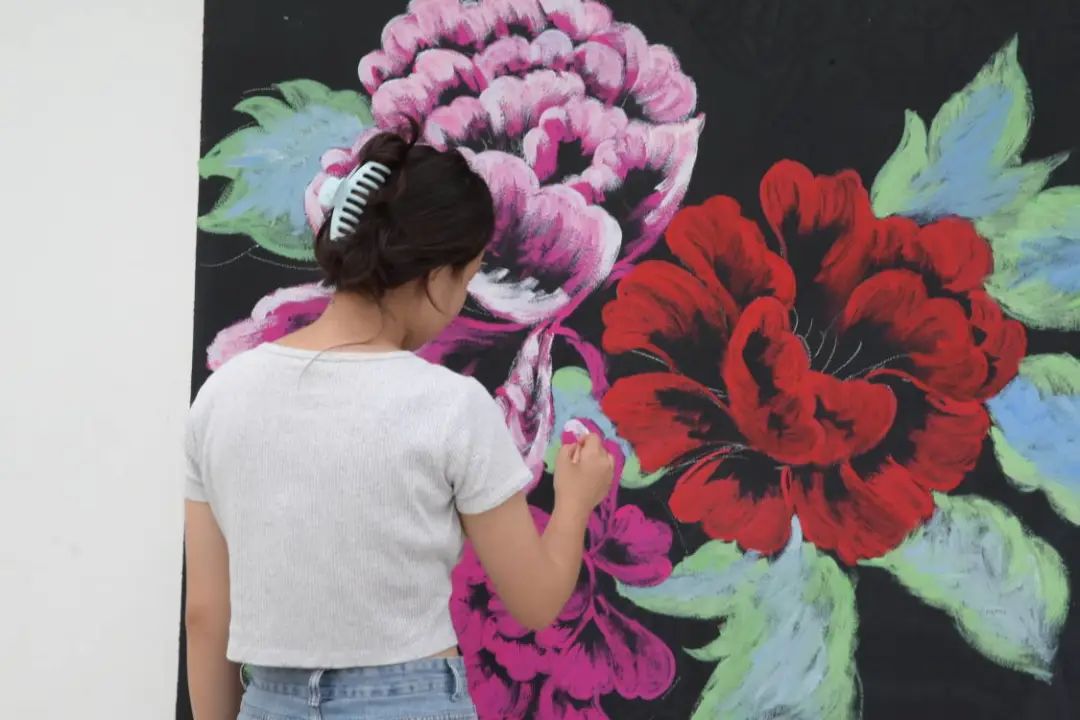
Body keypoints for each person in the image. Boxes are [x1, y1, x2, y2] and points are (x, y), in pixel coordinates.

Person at [183, 128, 616, 720]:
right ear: (437, 277)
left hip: (271, 701)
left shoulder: (221, 397)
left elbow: (206, 616)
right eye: (466, 280)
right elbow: (535, 600)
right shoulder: (452, 406)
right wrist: (575, 502)